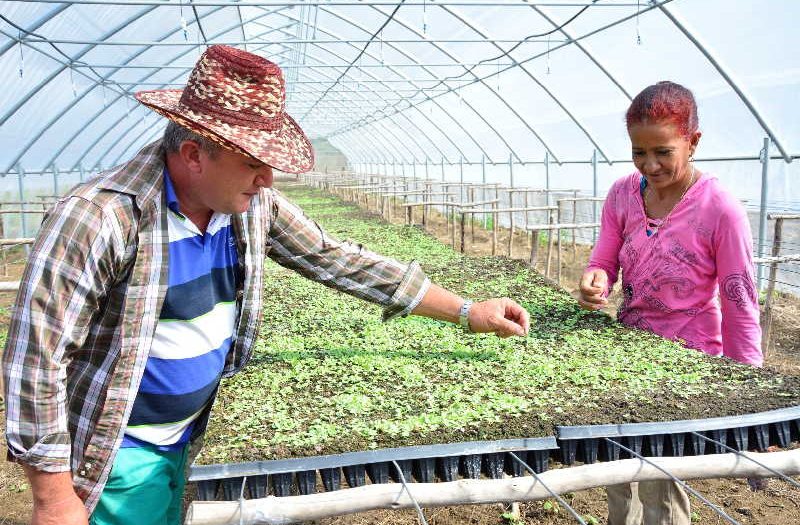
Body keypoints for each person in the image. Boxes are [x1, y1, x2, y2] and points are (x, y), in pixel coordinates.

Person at [2, 45, 530, 525]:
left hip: (188, 436)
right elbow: (36, 357)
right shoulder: (101, 219)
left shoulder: (249, 209)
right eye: (254, 163)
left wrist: (467, 311)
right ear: (194, 155)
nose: (268, 180)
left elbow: (337, 258)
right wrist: (53, 500)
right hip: (119, 449)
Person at [578, 81, 762, 525]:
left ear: (693, 141)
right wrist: (596, 281)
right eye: (639, 153)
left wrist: (749, 399)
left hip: (686, 363)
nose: (650, 165)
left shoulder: (720, 209)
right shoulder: (624, 193)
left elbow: (740, 305)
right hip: (623, 351)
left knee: (662, 482)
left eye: (662, 151)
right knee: (616, 472)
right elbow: (605, 260)